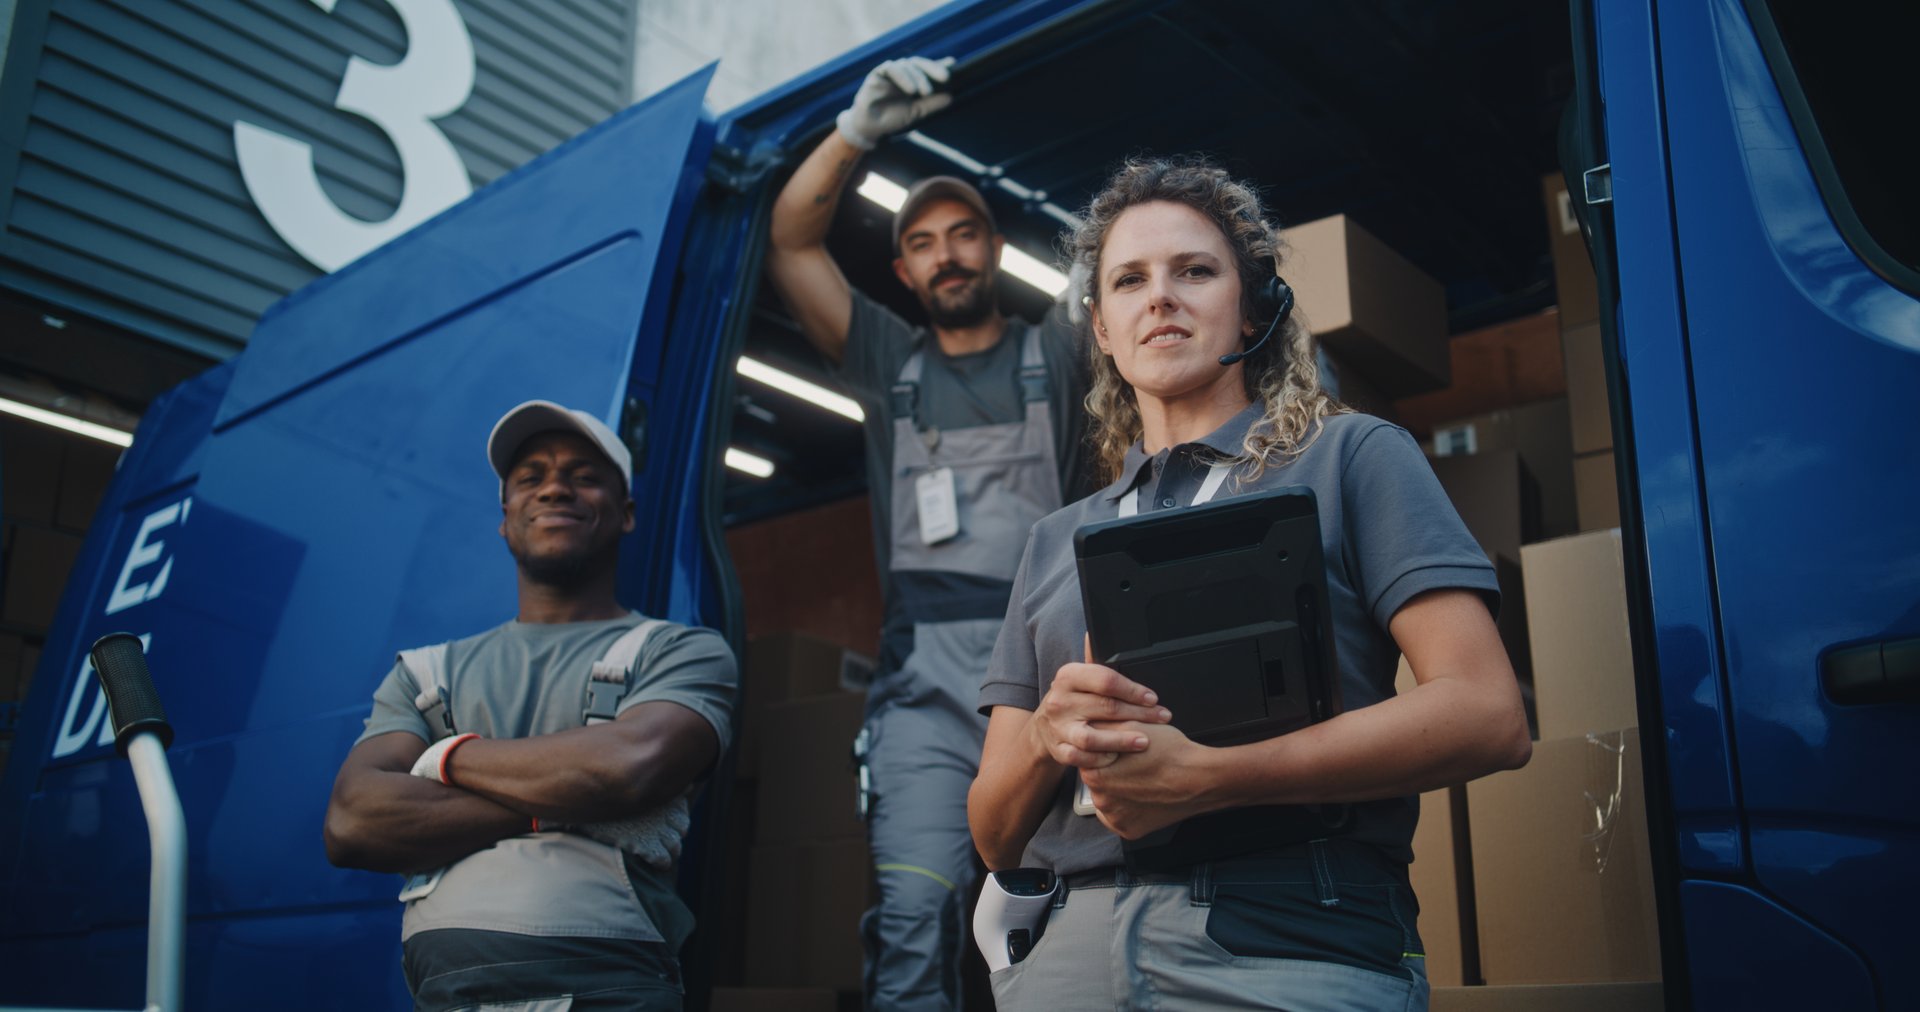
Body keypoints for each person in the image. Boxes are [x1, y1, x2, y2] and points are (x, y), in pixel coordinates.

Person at [967, 156, 1532, 1011]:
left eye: (1195, 270)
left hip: (1286, 935)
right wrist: (1049, 733)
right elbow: (993, 834)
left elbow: (1489, 716)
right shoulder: (1054, 540)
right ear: (1103, 331)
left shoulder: (1352, 456)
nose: (1161, 296)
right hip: (1068, 957)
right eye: (1130, 280)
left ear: (1254, 308)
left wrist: (1211, 776)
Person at [764, 56, 1092, 1012]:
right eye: (924, 242)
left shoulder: (1061, 353)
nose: (947, 254)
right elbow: (791, 244)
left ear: (993, 250)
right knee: (910, 925)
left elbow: (1125, 265)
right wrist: (854, 132)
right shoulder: (884, 361)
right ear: (903, 268)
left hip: (1047, 680)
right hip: (921, 700)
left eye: (965, 234)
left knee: (1062, 927)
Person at [324, 400, 737, 1011]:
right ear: (505, 517)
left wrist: (441, 757)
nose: (554, 489)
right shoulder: (426, 669)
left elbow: (628, 767)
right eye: (530, 477)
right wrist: (575, 804)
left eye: (584, 475)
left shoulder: (679, 651)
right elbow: (352, 822)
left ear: (625, 513)